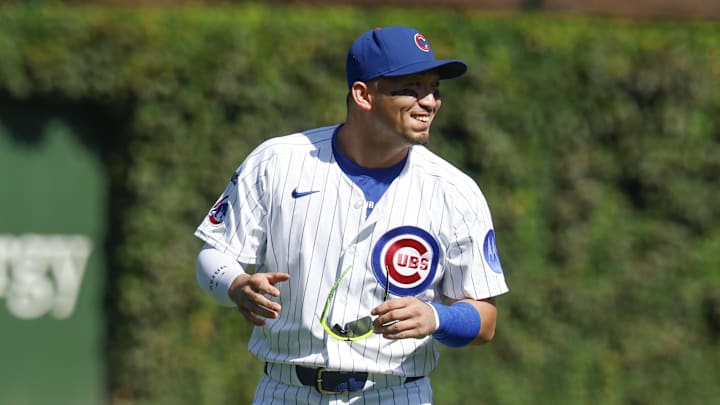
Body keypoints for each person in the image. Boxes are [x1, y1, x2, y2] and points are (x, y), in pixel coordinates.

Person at [194, 26, 509, 404]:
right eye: (411, 87)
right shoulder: (277, 162)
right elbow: (213, 255)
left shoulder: (455, 191)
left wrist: (437, 318)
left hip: (396, 393)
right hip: (286, 390)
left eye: (435, 89)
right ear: (363, 94)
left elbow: (485, 320)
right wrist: (234, 285)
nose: (430, 102)